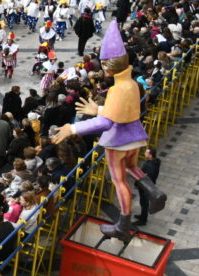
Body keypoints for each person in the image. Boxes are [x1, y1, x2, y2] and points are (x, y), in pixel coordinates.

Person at [55, 22, 167, 241]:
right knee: (132, 167)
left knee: (119, 181)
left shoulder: (117, 89)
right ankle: (153, 191)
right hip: (135, 135)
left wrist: (73, 128)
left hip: (118, 141)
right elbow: (120, 111)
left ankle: (123, 224)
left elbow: (106, 123)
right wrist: (98, 109)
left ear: (109, 65)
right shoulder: (132, 84)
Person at [134, 147, 161, 226]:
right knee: (143, 202)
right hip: (145, 186)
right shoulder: (151, 162)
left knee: (144, 203)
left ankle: (143, 220)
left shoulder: (151, 165)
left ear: (151, 155)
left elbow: (147, 177)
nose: (144, 154)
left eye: (146, 153)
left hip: (146, 187)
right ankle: (142, 216)